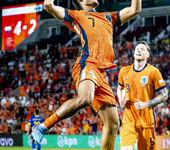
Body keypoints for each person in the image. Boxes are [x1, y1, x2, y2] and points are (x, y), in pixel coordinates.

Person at [31, 0, 142, 149]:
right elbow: (49, 6)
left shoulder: (108, 16)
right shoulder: (76, 15)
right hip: (87, 64)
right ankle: (43, 127)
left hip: (101, 73)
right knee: (85, 98)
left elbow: (135, 9)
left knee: (113, 123)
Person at [117, 41, 168, 150]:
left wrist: (146, 104)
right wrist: (121, 99)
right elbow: (119, 87)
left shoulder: (153, 72)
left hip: (146, 121)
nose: (139, 50)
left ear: (147, 55)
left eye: (142, 49)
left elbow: (164, 96)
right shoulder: (124, 71)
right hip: (128, 120)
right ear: (134, 53)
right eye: (137, 49)